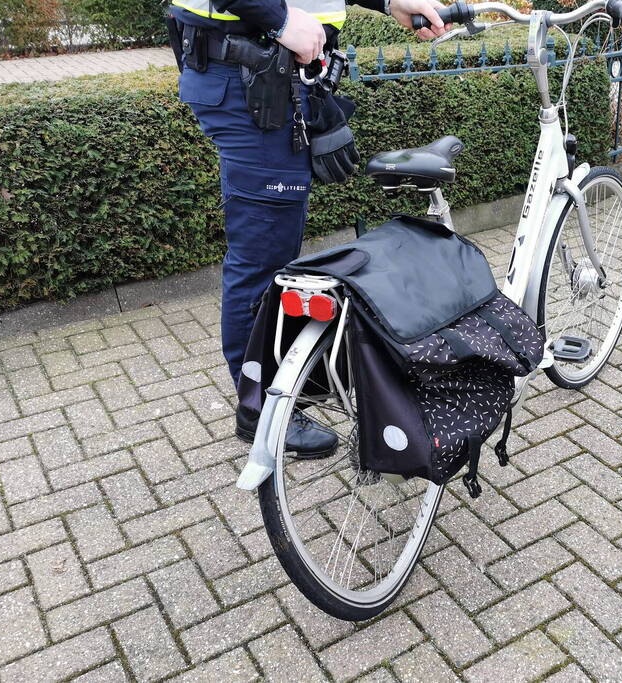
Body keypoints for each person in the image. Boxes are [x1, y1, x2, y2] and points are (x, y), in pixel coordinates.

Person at [168, 0, 448, 457]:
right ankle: (259, 409)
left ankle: (280, 384)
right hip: (250, 76)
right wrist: (277, 19)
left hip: (273, 75)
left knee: (274, 248)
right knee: (261, 259)